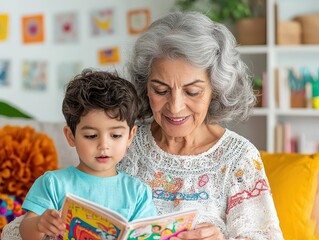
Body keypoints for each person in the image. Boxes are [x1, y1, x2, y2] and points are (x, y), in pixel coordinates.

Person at [118, 11, 284, 240]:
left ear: (215, 90)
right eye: (160, 90)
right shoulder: (124, 144)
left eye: (192, 92)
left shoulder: (238, 159)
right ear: (145, 88)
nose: (175, 107)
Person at [14, 69, 156, 240]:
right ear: (70, 136)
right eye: (91, 136)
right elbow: (26, 232)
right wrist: (39, 224)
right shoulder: (53, 183)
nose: (104, 145)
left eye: (116, 135)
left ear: (130, 136)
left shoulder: (138, 192)